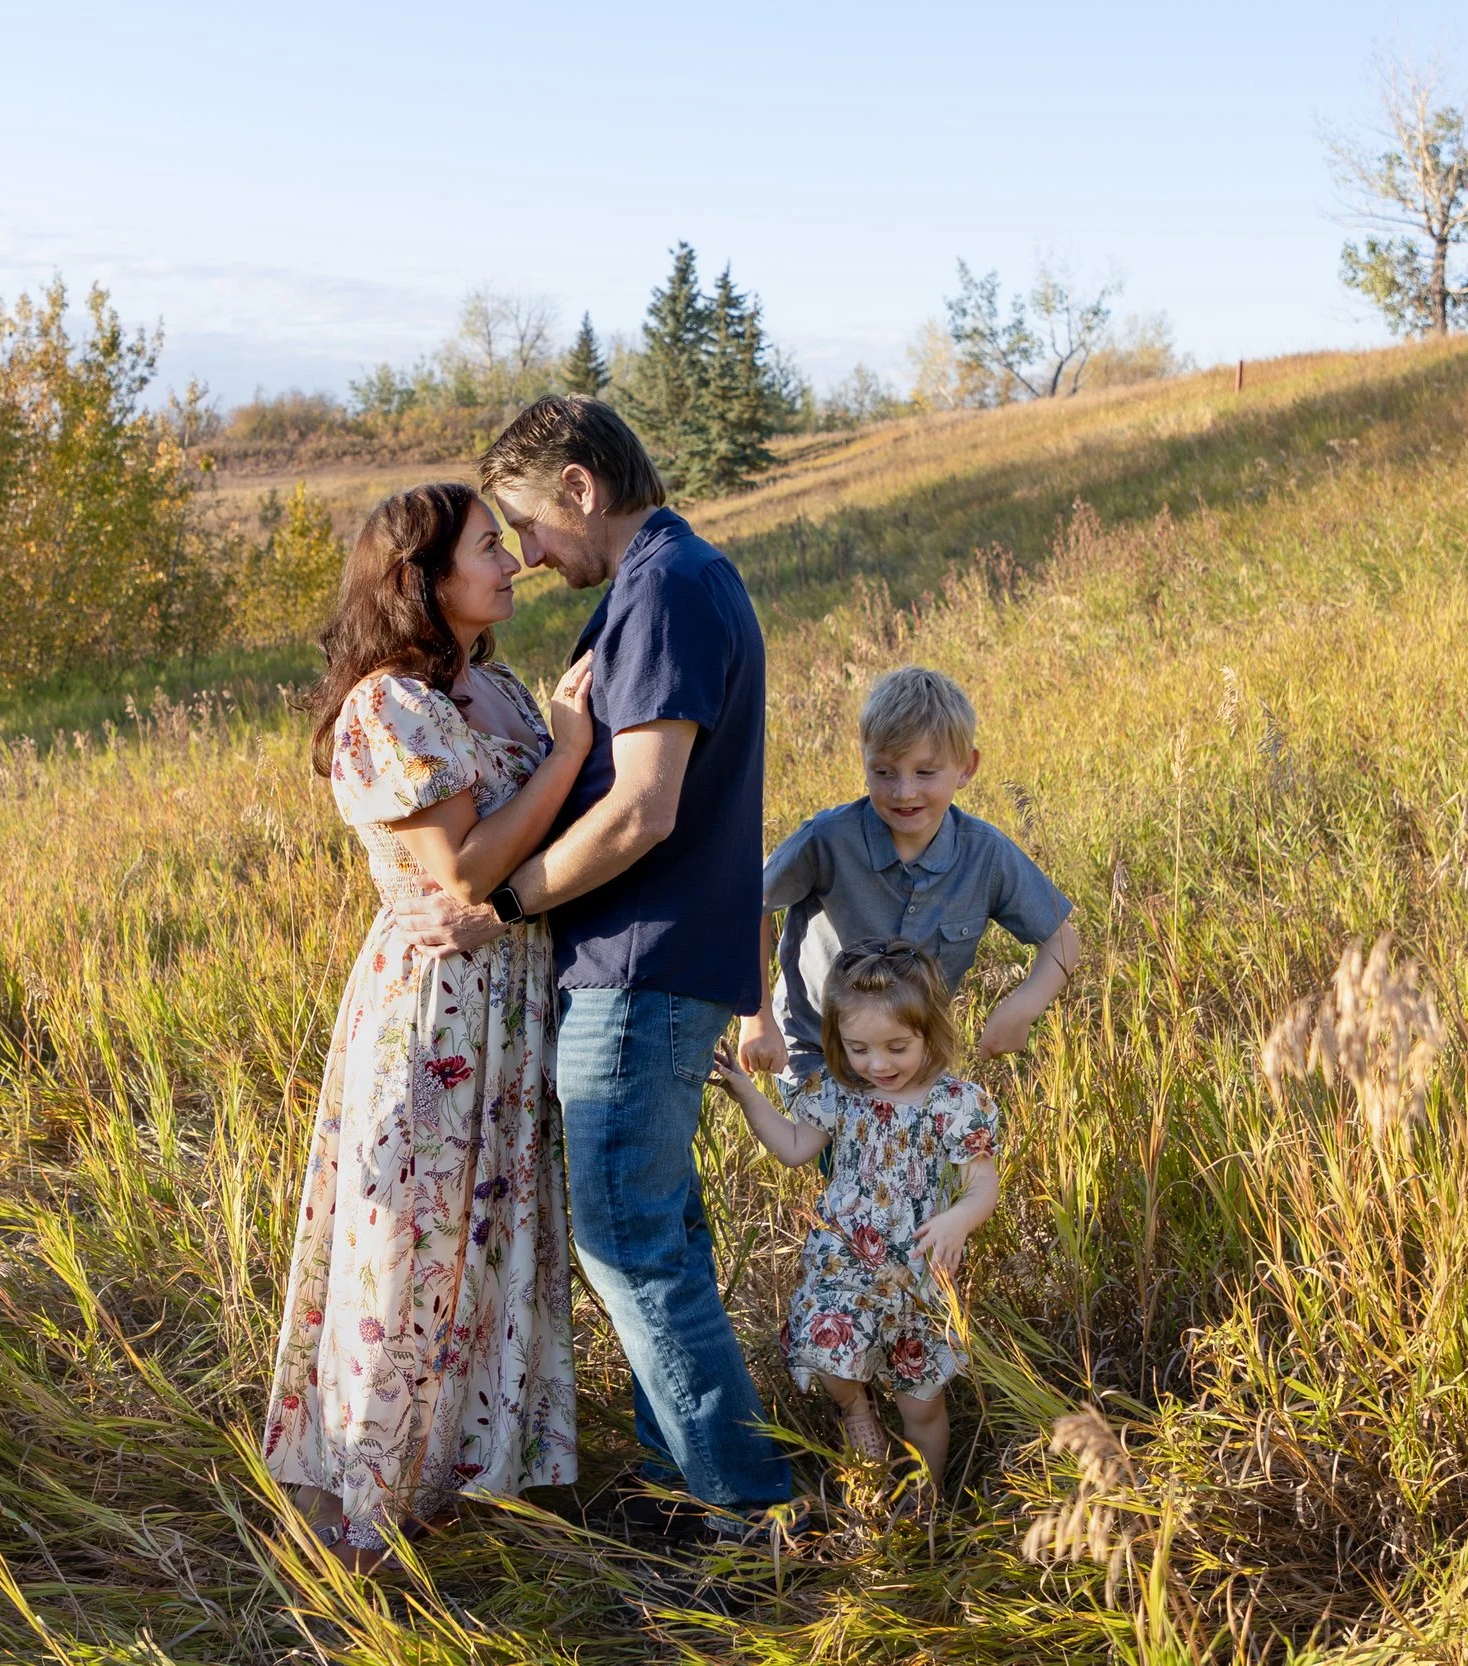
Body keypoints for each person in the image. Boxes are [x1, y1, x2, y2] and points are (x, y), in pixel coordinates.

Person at [389, 395, 795, 1532]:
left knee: (629, 1246)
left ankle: (748, 1507)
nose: (524, 555)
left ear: (578, 488)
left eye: (525, 524)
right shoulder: (669, 582)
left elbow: (645, 811)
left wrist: (504, 904)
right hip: (653, 962)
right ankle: (687, 1482)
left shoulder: (664, 587)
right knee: (658, 1235)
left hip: (638, 964)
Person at [259, 483, 595, 1568]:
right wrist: (570, 751)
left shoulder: (496, 686)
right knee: (407, 1248)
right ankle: (368, 1512)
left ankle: (455, 1485)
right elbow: (468, 865)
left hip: (515, 1001)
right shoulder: (386, 705)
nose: (513, 564)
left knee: (488, 1245)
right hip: (437, 1011)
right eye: (489, 548)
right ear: (421, 579)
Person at [710, 940, 999, 1486]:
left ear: (929, 1032)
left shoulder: (958, 1103)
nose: (877, 1064)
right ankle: (857, 1410)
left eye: (896, 1047)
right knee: (826, 1341)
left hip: (917, 1278)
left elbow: (983, 1185)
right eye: (859, 1048)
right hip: (843, 1265)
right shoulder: (839, 1092)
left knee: (922, 1406)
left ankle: (925, 1500)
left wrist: (959, 1219)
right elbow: (795, 1147)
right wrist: (747, 1093)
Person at [739, 667, 1078, 1086]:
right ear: (863, 758)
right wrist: (756, 1018)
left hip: (912, 1065)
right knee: (844, 1151)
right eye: (884, 772)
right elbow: (747, 903)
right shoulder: (827, 841)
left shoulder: (985, 854)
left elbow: (1063, 941)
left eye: (925, 772)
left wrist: (1022, 1007)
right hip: (819, 1056)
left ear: (967, 767)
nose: (904, 792)